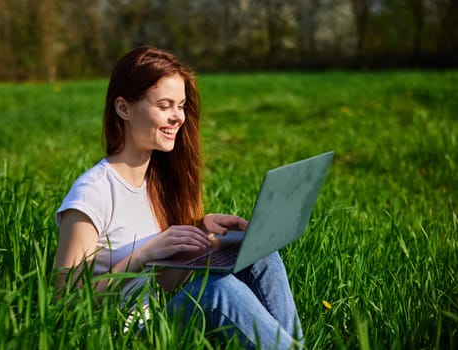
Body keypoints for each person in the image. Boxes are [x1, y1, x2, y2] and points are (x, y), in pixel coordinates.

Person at [54, 46, 303, 349]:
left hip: (160, 318)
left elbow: (161, 283)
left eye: (181, 105)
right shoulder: (92, 193)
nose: (178, 117)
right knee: (216, 291)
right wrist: (145, 255)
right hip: (122, 337)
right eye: (165, 105)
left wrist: (203, 236)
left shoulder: (155, 183)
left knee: (260, 254)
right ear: (124, 108)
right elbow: (65, 301)